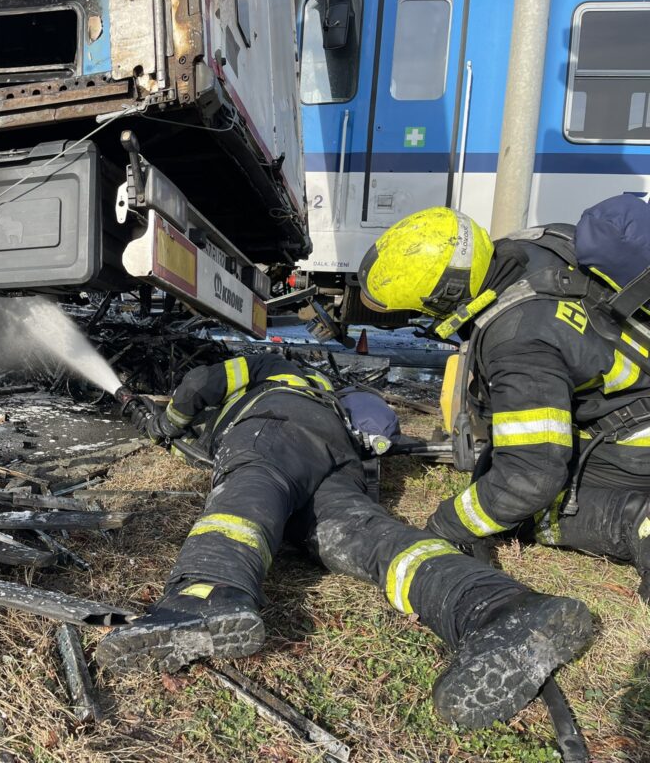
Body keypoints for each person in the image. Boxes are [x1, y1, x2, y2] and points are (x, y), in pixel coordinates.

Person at [94, 352, 593, 729]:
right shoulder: (326, 392)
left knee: (246, 493)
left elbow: (203, 382)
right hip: (334, 458)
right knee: (366, 538)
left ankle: (202, 595)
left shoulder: (271, 365)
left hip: (276, 429)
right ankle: (491, 605)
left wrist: (169, 422)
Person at [356, 202, 650, 602]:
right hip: (634, 400)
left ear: (446, 296)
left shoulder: (518, 340)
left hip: (637, 444)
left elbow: (530, 478)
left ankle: (635, 519)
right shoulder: (536, 246)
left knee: (527, 511)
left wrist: (447, 525)